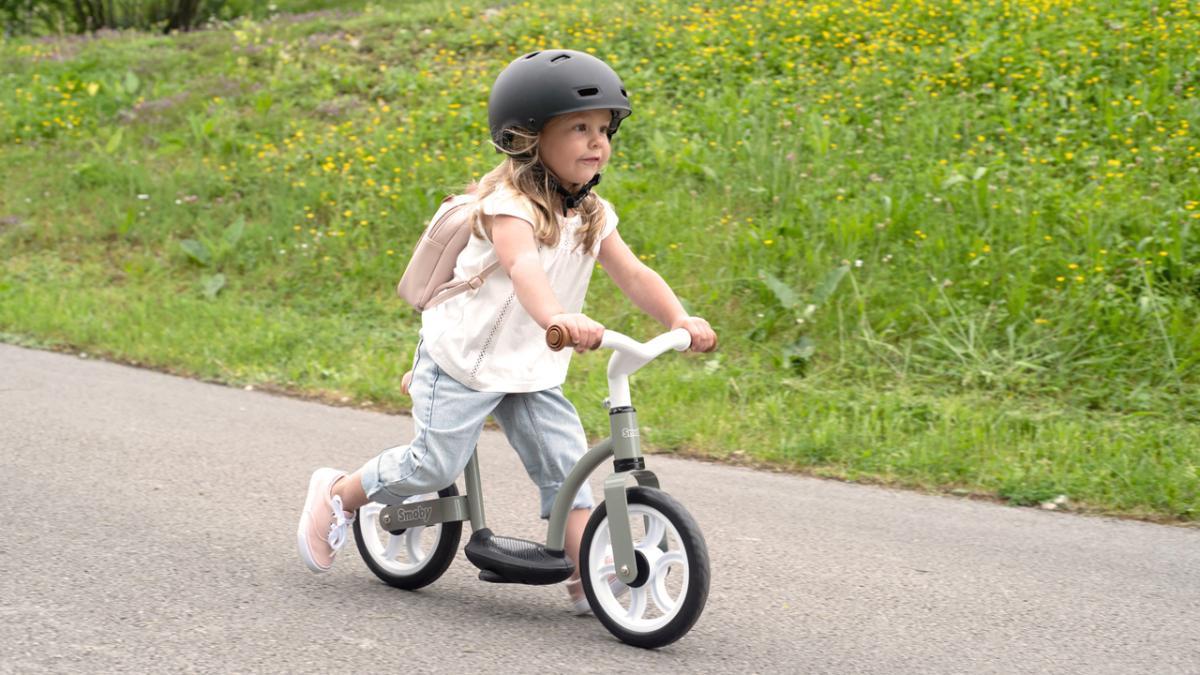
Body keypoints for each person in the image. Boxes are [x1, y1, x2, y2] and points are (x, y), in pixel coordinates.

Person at [297, 49, 717, 612]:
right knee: (433, 464)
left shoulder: (592, 213)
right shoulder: (508, 206)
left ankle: (592, 574)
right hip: (464, 360)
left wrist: (678, 319)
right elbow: (523, 267)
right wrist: (556, 318)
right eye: (579, 128)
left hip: (531, 366)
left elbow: (634, 273)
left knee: (566, 469)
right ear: (527, 138)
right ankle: (340, 493)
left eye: (603, 129)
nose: (597, 142)